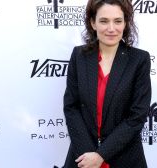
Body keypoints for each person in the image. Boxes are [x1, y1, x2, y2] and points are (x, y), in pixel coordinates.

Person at [63, 0, 151, 167]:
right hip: (83, 158)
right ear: (92, 23)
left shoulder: (139, 60)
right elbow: (71, 107)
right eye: (104, 21)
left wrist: (100, 155)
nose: (111, 28)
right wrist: (89, 155)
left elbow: (137, 116)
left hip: (125, 157)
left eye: (118, 21)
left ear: (126, 23)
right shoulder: (79, 56)